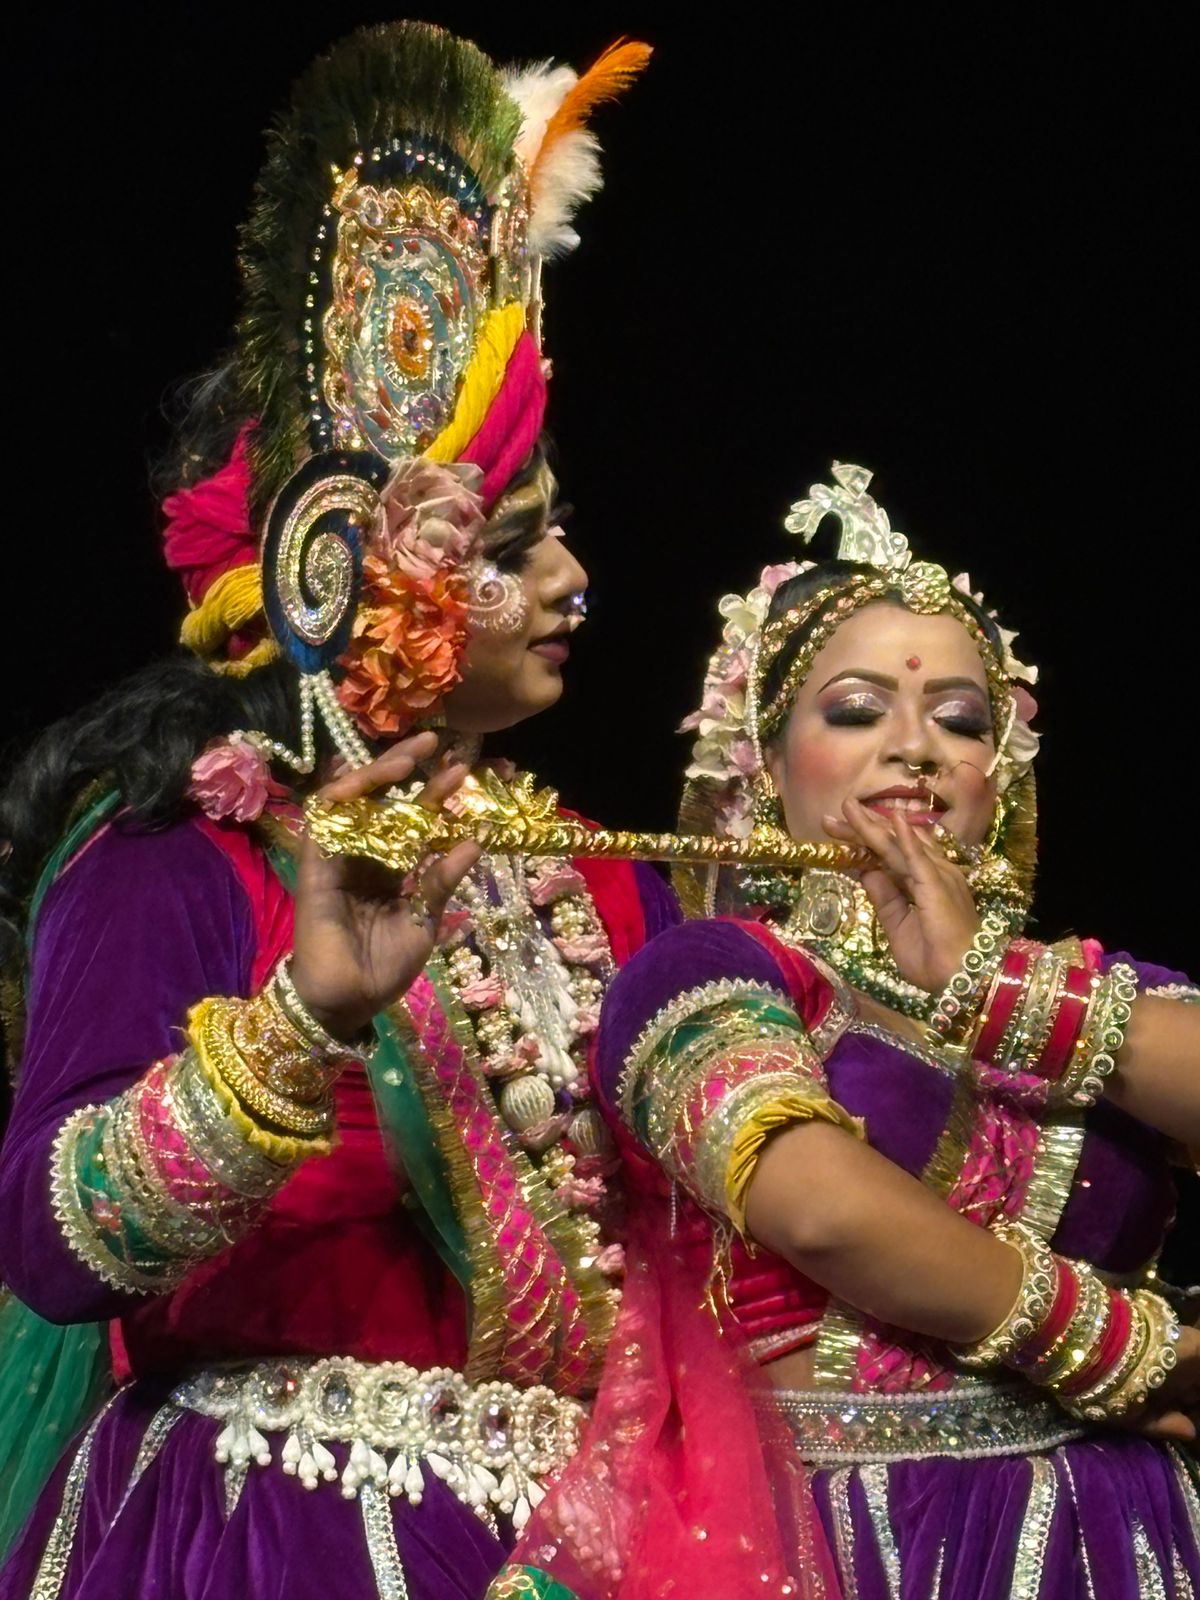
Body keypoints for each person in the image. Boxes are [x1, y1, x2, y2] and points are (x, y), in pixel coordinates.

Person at [0, 22, 667, 1599]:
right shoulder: (186, 849)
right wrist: (303, 1016)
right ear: (359, 580)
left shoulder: (598, 882)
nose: (571, 580)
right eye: (512, 542)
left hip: (576, 1550)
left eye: (557, 532)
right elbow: (45, 1239)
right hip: (268, 1533)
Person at [492, 462, 1199, 1599]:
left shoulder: (1088, 989)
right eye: (857, 710)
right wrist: (1133, 1350)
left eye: (959, 721)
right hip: (848, 1535)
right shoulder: (707, 971)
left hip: (1113, 1532)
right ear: (768, 765)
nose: (914, 746)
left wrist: (995, 982)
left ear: (997, 779)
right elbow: (816, 1205)